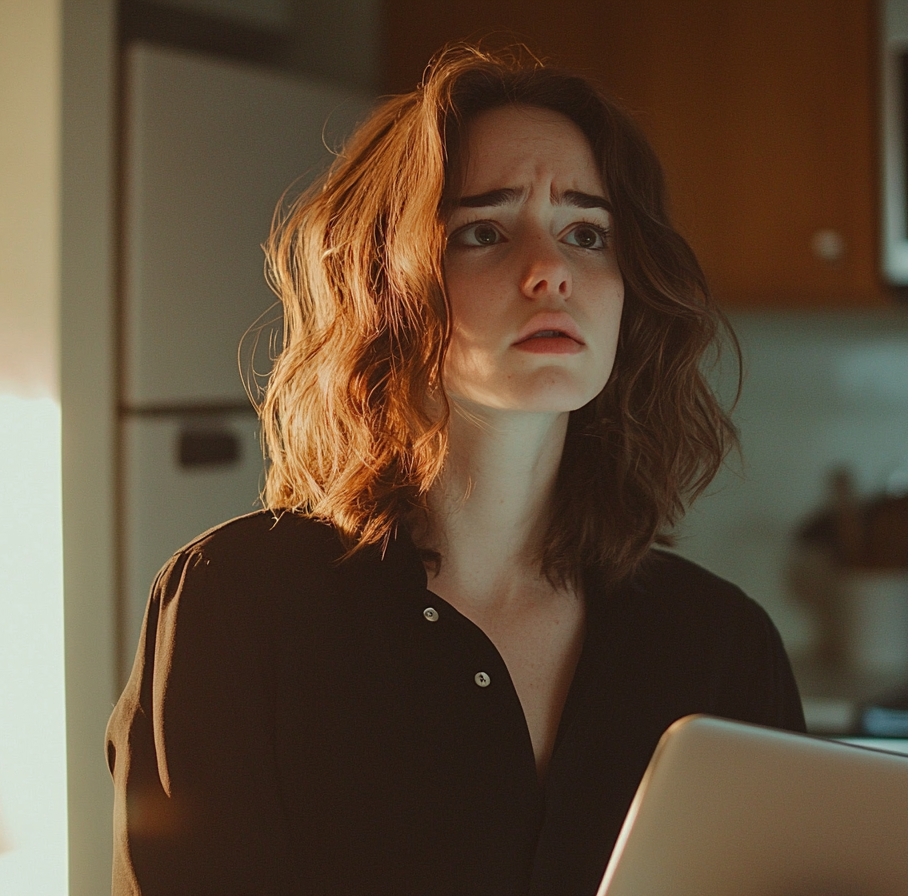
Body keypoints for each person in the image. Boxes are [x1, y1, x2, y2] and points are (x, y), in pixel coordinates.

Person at [107, 45, 805, 896]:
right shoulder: (235, 604)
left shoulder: (721, 646)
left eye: (588, 233)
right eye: (484, 231)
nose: (552, 269)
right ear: (386, 289)